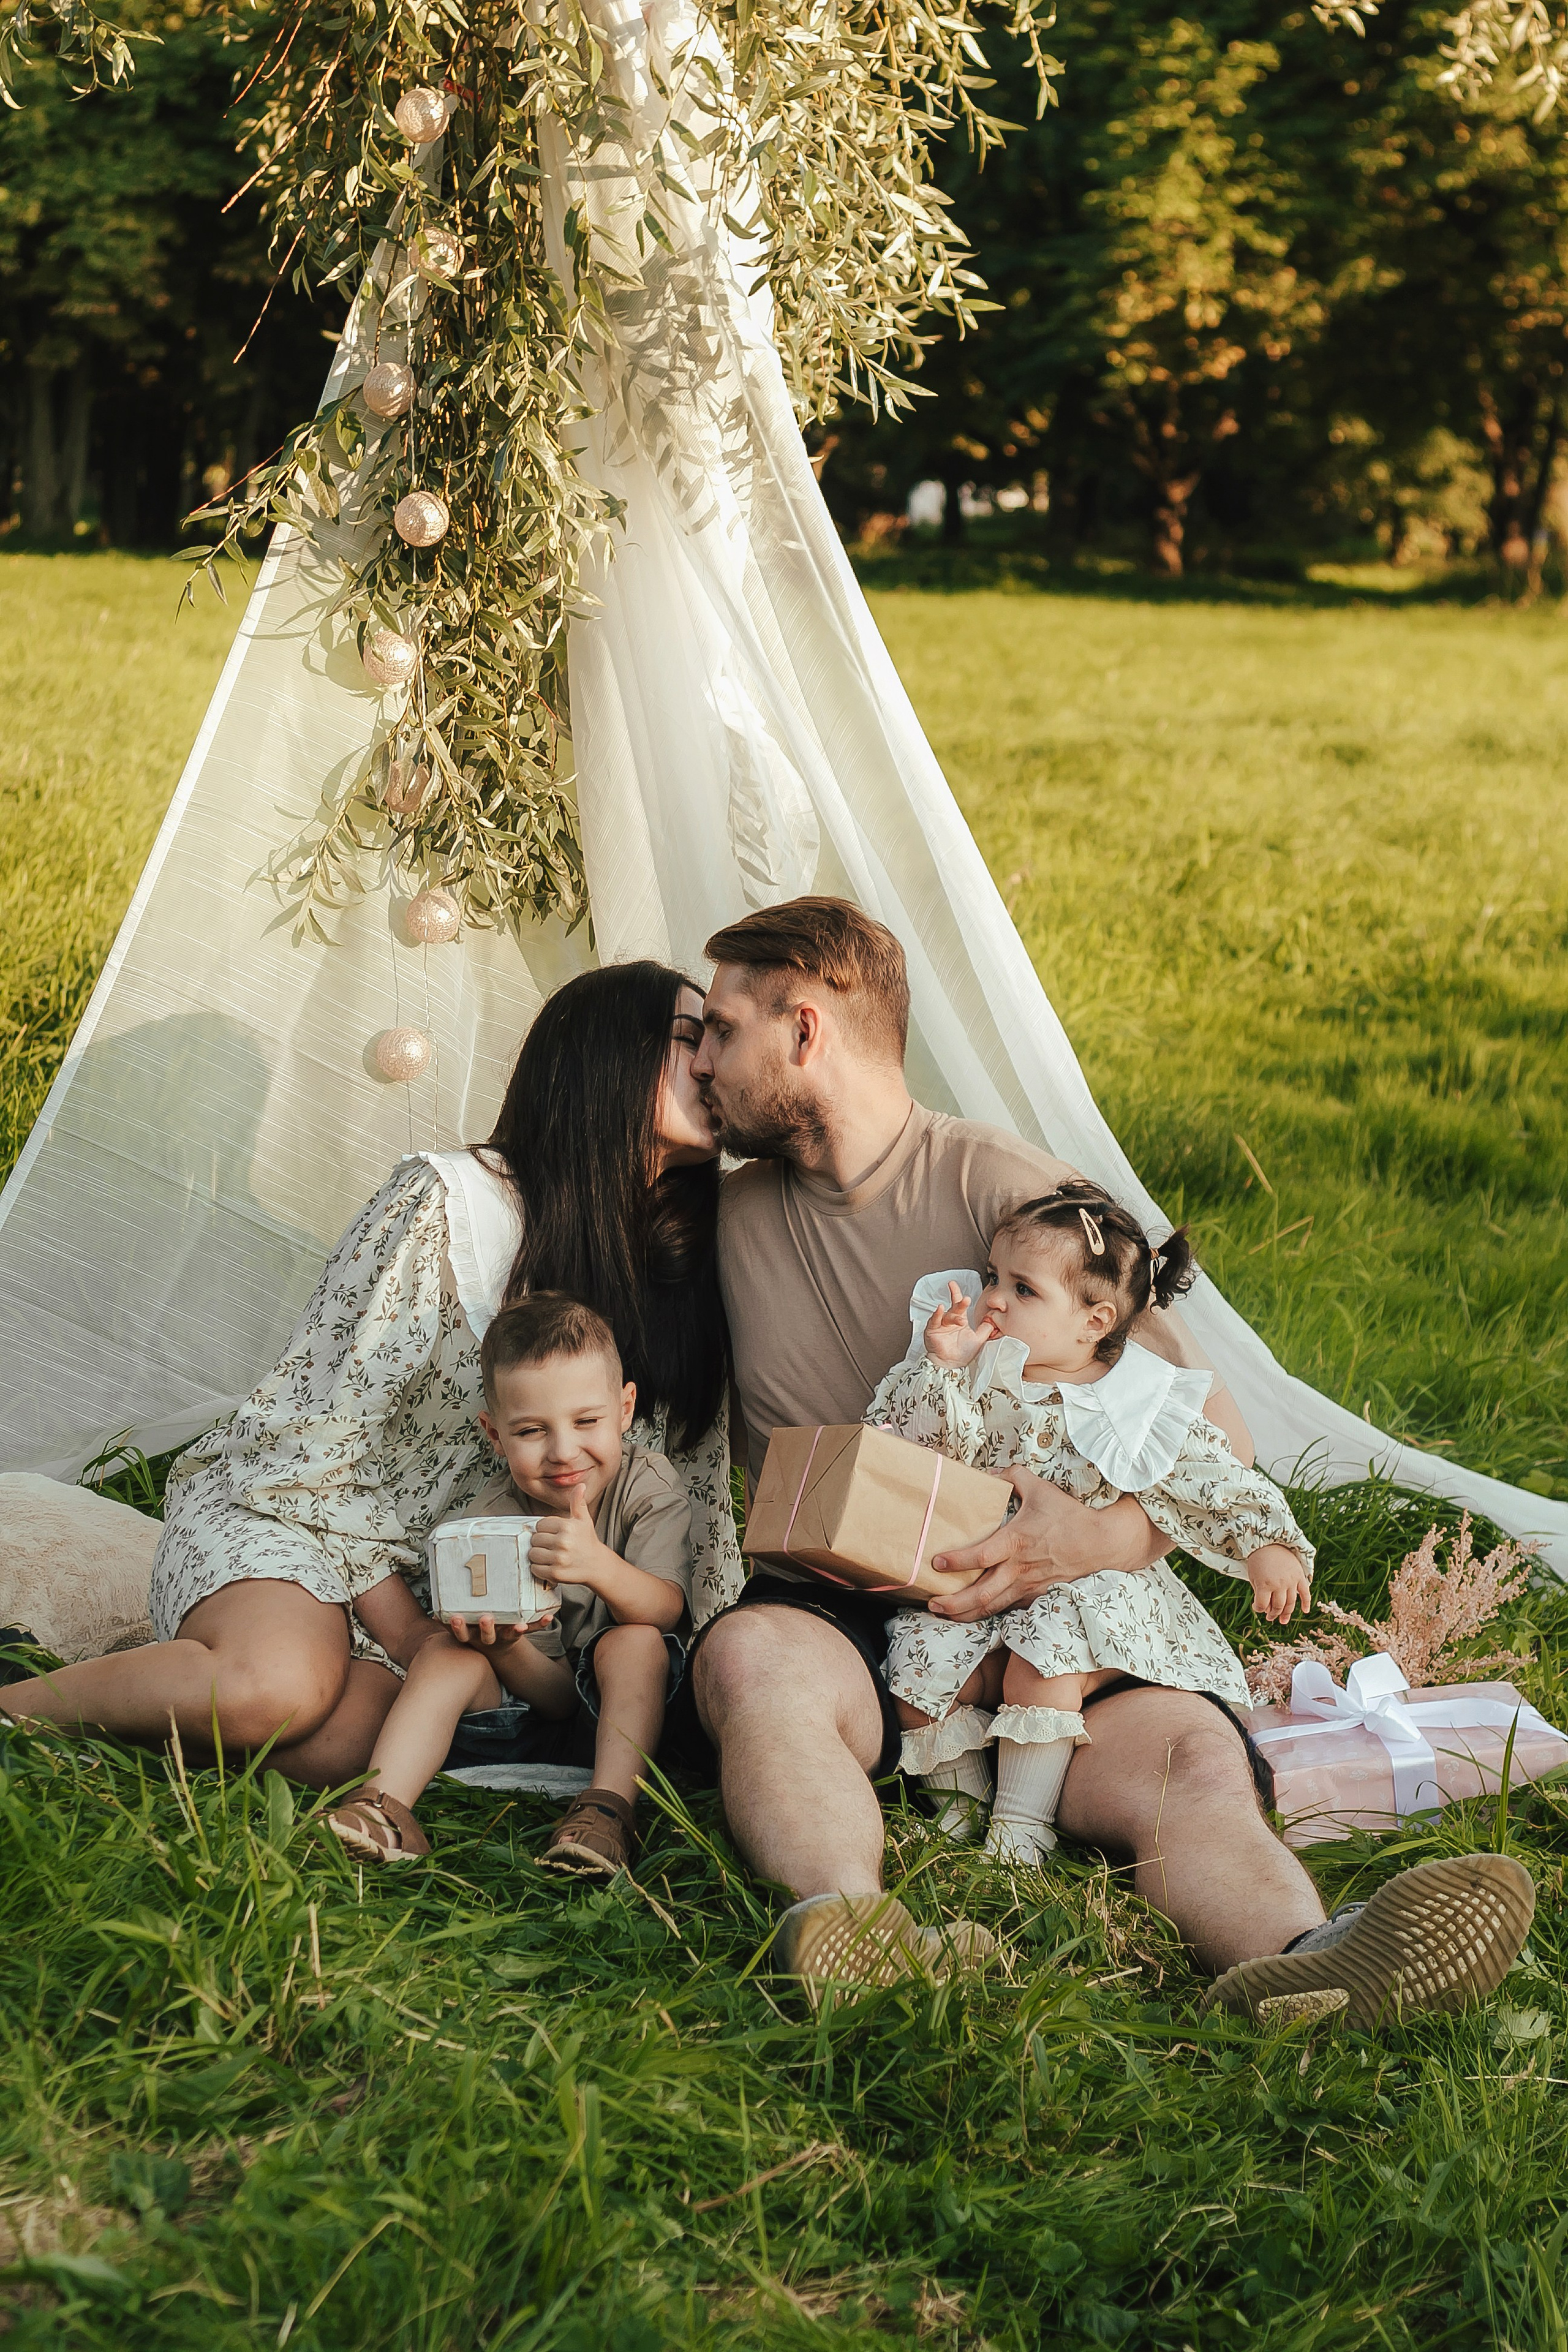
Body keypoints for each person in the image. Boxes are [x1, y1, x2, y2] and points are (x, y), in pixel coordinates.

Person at [675, 895, 1535, 2024]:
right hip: (843, 1609)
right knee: (752, 1664)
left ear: (804, 1029)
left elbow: (1203, 1428)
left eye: (719, 1030)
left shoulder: (1005, 1191)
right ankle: (852, 1928)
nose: (701, 1060)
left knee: (1193, 1757)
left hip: (1052, 1616)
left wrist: (1093, 1540)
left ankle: (1307, 1963)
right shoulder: (725, 1215)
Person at [1, 964, 740, 1783]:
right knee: (272, 1689)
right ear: (607, 1056)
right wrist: (404, 1631)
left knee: (343, 1742)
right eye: (691, 1037)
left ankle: (137, 1696)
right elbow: (316, 1436)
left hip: (447, 1599)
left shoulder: (678, 1263)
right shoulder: (449, 1205)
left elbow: (684, 1500)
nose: (714, 1062)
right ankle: (16, 1704)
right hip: (293, 1517)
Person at [869, 1185, 1314, 1864]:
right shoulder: (975, 1374)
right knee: (919, 1659)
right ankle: (959, 1817)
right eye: (992, 1276)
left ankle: (1021, 1827)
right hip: (983, 1586)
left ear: (1093, 1321)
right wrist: (942, 1369)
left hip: (1087, 1595)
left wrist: (1268, 1545)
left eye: (1023, 1289)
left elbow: (1212, 1473)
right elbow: (914, 1449)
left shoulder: (1133, 1399)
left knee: (1040, 1661)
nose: (993, 1299)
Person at [325, 1294, 693, 1871]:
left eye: (587, 1421)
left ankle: (609, 1812)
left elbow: (666, 1610)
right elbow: (556, 1700)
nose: (564, 1452)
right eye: (531, 1430)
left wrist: (597, 1565)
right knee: (448, 1652)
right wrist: (504, 1649)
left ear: (625, 1409)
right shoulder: (490, 1524)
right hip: (520, 1719)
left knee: (635, 1639)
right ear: (495, 1436)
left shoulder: (647, 1486)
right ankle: (383, 1807)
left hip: (631, 1724)